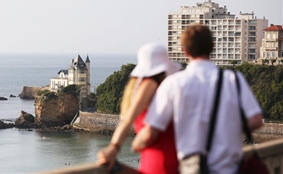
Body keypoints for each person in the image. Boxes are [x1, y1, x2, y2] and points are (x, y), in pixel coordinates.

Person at [131, 25, 263, 173]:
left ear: (184, 51)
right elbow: (256, 120)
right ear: (212, 47)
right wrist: (226, 129)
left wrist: (135, 144)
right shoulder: (233, 79)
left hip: (193, 168)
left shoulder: (174, 83)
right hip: (231, 168)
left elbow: (150, 132)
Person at [97, 42, 181, 174]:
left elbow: (128, 120)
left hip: (155, 164)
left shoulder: (145, 86)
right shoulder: (157, 86)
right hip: (167, 163)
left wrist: (114, 147)